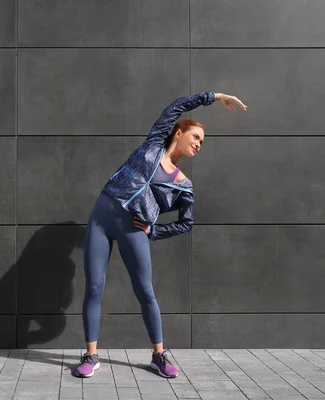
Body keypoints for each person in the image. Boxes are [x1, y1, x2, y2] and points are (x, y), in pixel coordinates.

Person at [74, 92, 247, 379]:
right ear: (178, 133)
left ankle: (158, 356)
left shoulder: (183, 185)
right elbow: (176, 106)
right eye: (195, 137)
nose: (198, 145)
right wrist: (215, 97)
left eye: (201, 143)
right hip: (101, 217)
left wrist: (153, 230)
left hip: (133, 229)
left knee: (145, 292)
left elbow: (186, 223)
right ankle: (91, 355)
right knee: (94, 287)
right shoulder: (153, 144)